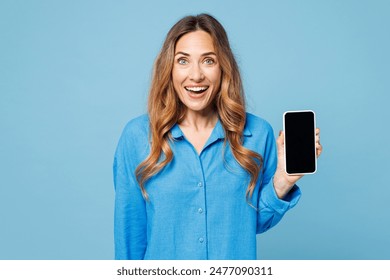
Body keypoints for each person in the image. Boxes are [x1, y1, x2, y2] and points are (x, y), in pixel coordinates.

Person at [113, 13, 322, 260]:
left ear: (223, 67)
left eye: (208, 61)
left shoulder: (257, 135)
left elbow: (251, 225)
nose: (196, 75)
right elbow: (130, 237)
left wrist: (282, 181)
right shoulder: (137, 137)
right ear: (169, 68)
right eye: (183, 61)